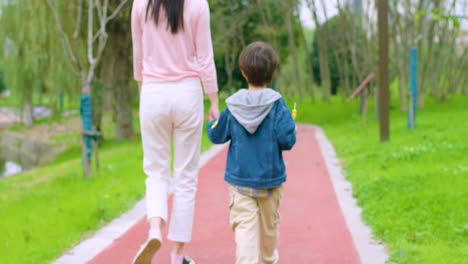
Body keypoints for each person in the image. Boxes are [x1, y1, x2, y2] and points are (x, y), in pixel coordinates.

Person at [131, 0, 219, 263]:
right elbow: (205, 57)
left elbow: (138, 53)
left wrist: (142, 90)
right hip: (187, 93)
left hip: (153, 92)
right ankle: (177, 254)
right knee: (185, 177)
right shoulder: (198, 4)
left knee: (156, 170)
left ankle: (154, 228)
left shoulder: (140, 4)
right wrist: (213, 100)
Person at [207, 42, 296, 264]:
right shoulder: (278, 105)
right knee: (269, 228)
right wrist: (290, 125)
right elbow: (287, 140)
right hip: (270, 180)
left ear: (244, 72)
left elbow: (217, 135)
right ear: (272, 73)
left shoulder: (233, 105)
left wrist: (212, 123)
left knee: (245, 227)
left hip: (240, 181)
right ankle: (267, 259)